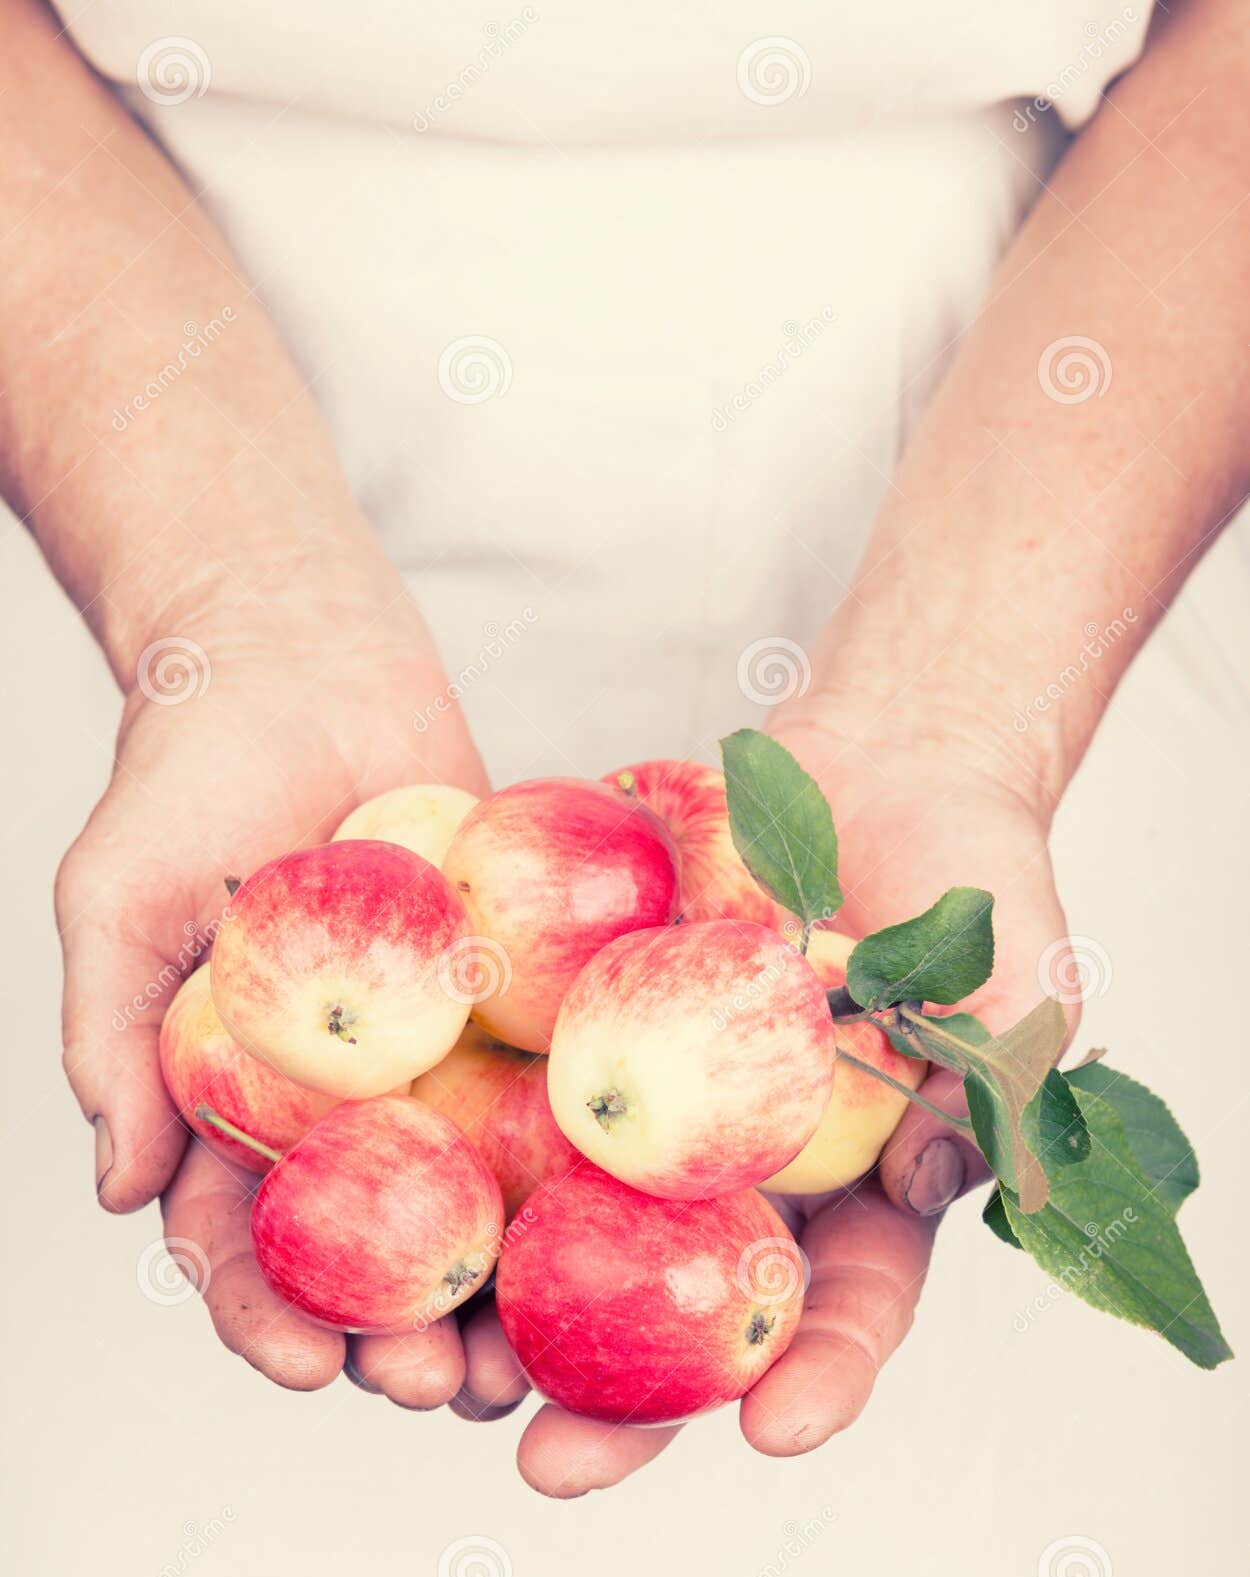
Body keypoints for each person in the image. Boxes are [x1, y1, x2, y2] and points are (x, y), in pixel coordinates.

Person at [5, 0, 1245, 1496]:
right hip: (149, 460)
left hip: (1049, 527)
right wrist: (224, 608)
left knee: (1013, 1503)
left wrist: (963, 715)